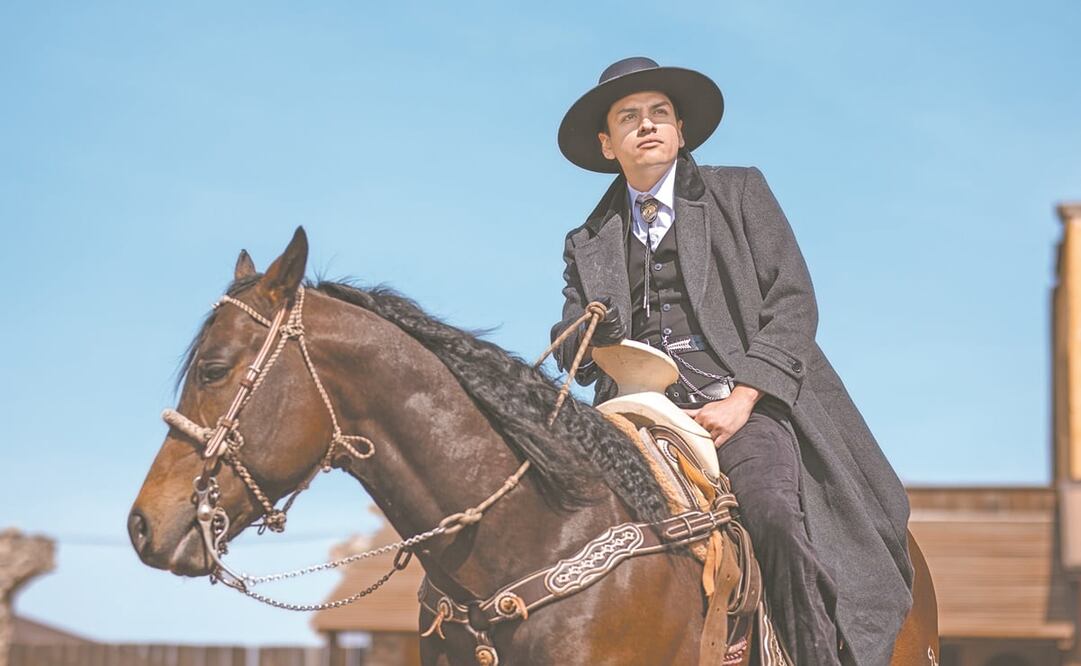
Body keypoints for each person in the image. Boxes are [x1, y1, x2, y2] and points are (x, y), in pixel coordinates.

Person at [549, 57, 913, 666]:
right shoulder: (586, 240)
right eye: (629, 117)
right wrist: (587, 332)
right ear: (608, 144)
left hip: (738, 400)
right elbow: (572, 349)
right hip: (631, 411)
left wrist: (743, 400)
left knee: (771, 512)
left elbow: (793, 302)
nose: (647, 125)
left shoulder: (739, 191)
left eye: (660, 113)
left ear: (680, 131)